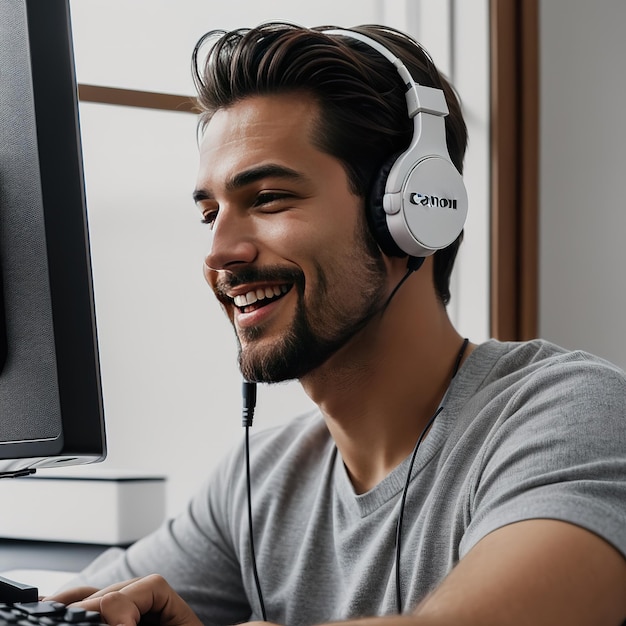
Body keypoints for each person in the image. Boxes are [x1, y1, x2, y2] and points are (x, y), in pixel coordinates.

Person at [52, 22, 626, 626]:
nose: (219, 252)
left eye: (269, 198)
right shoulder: (264, 480)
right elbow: (80, 604)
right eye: (209, 214)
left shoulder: (570, 413)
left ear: (411, 212)